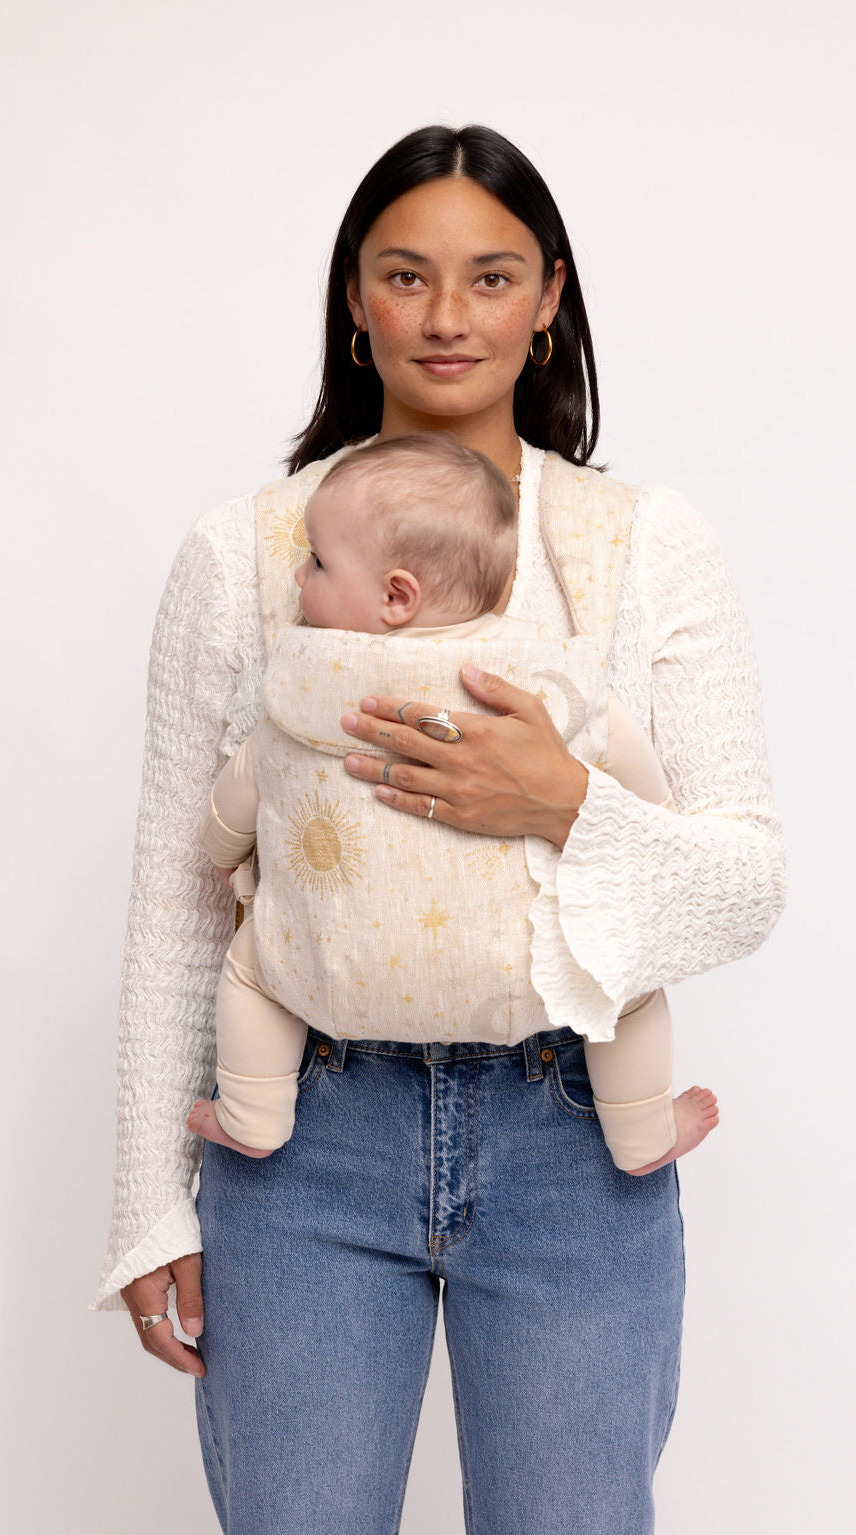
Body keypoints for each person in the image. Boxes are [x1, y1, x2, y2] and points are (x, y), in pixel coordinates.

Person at [94, 124, 787, 1534]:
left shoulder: (643, 547)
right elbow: (182, 892)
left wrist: (563, 803)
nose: (447, 315)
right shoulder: (248, 554)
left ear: (549, 298)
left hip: (572, 1138)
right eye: (406, 275)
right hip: (302, 1139)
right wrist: (148, 1206)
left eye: (492, 276)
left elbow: (748, 881)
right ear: (355, 297)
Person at [185, 431, 719, 1175]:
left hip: (333, 976)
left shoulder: (303, 677)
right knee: (622, 981)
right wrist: (653, 822)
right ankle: (642, 1133)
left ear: (396, 595)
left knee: (253, 971)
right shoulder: (540, 669)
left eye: (318, 562)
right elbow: (628, 764)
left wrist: (223, 855)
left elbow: (242, 789)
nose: (299, 576)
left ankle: (253, 1115)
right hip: (527, 983)